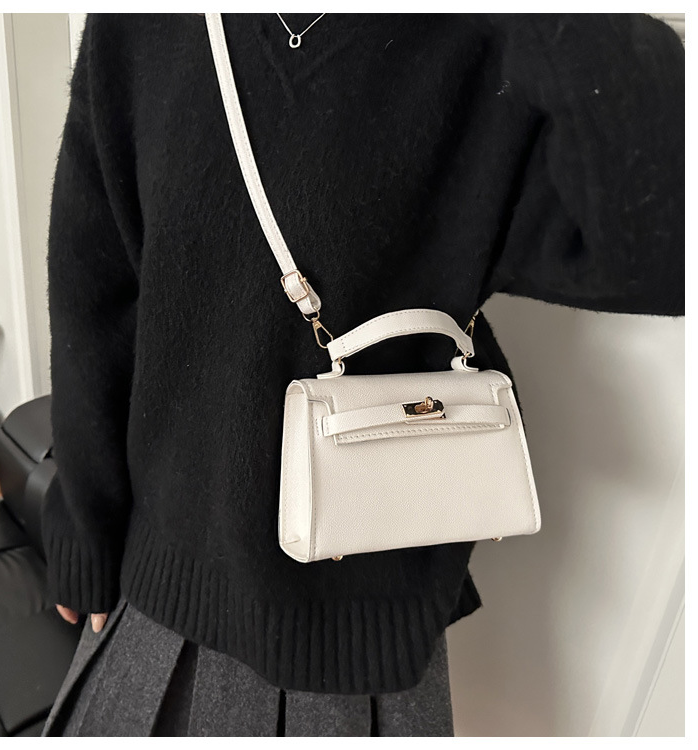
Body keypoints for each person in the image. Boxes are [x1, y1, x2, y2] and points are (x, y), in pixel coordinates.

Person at [40, 12, 684, 737]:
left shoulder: (487, 39)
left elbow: (661, 255)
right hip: (163, 589)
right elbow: (93, 290)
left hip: (368, 632)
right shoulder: (144, 26)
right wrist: (84, 531)